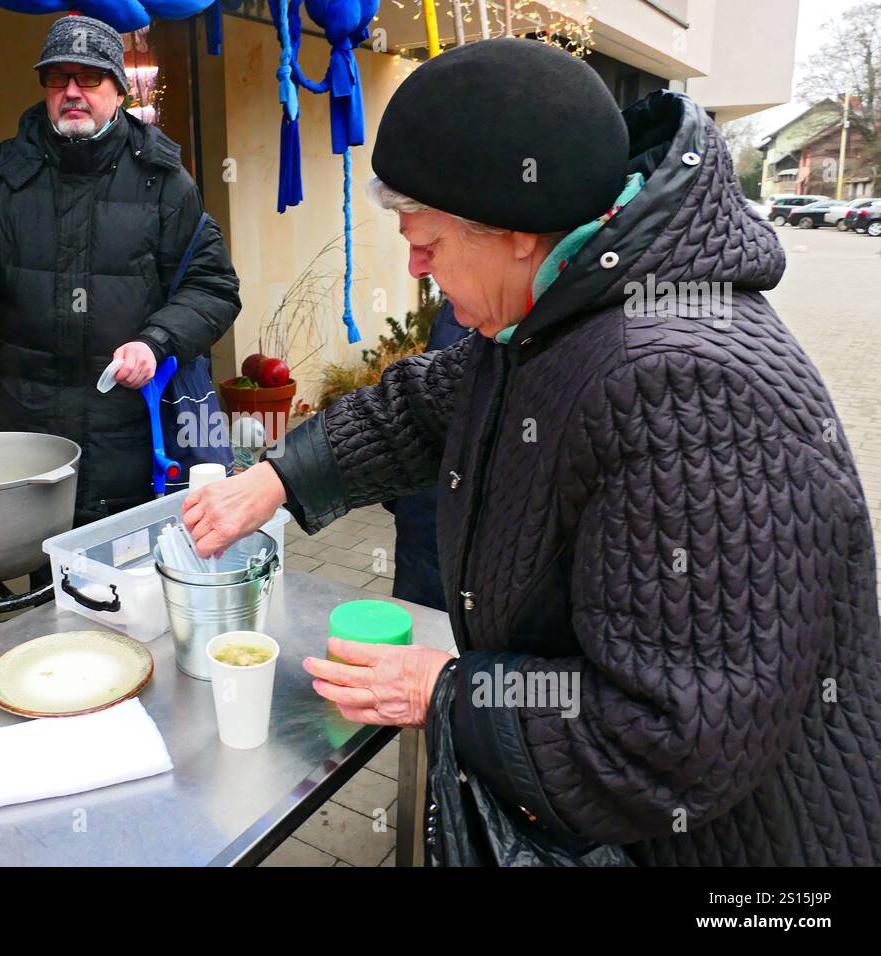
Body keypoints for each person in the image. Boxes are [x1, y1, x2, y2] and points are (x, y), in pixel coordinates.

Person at [182, 39, 881, 865]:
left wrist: (446, 692)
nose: (413, 266)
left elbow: (665, 739)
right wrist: (275, 477)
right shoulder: (565, 306)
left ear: (514, 231)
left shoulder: (682, 390)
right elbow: (432, 404)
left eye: (426, 242)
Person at [0, 15, 240, 531]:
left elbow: (214, 286)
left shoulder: (164, 181)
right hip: (30, 433)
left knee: (131, 583)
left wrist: (155, 342)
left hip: (130, 431)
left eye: (88, 77)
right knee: (45, 577)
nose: (71, 92)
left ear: (119, 88)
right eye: (57, 78)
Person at [382, 298, 469, 610]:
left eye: (433, 245)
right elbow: (427, 399)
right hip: (424, 526)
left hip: (486, 551)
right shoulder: (459, 306)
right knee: (418, 622)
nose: (416, 268)